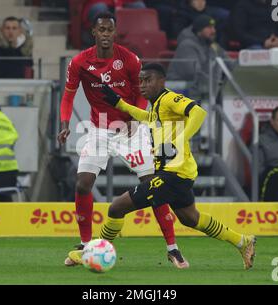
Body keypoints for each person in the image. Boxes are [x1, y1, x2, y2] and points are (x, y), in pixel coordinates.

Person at [67, 63, 256, 270]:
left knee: (117, 207)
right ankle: (242, 241)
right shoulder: (156, 106)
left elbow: (198, 112)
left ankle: (94, 251)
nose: (143, 85)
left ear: (162, 81)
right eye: (140, 81)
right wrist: (120, 103)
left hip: (173, 174)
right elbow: (148, 118)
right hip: (179, 174)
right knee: (191, 219)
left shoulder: (169, 99)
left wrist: (182, 138)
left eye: (148, 80)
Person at [58, 12, 188, 268]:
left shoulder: (129, 59)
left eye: (110, 30)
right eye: (101, 30)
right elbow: (67, 97)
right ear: (93, 33)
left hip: (131, 130)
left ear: (115, 33)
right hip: (99, 130)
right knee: (83, 184)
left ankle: (172, 248)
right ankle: (85, 245)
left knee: (153, 186)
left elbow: (142, 93)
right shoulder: (79, 62)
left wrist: (135, 118)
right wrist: (65, 125)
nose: (105, 34)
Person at [167, 15, 235, 100]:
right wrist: (215, 82)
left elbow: (230, 63)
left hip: (200, 88)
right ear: (199, 30)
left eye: (214, 27)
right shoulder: (187, 45)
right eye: (209, 28)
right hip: (179, 89)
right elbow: (193, 73)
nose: (213, 31)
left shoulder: (212, 45)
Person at [81, 0, 146, 47]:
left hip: (125, 2)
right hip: (98, 2)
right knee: (100, 9)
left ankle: (136, 47)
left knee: (139, 6)